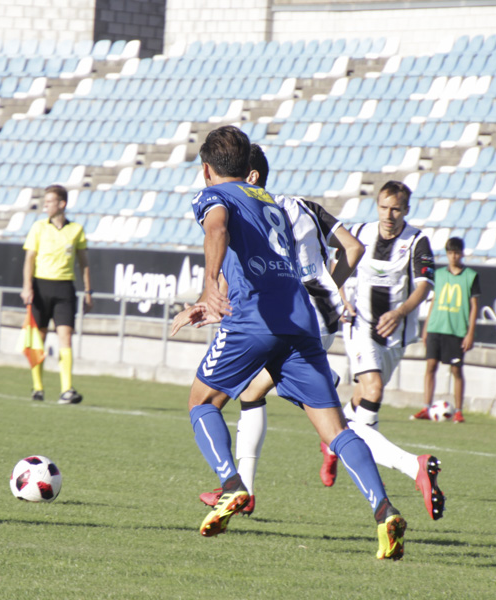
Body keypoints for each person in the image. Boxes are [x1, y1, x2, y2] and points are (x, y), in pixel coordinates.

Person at [175, 125, 406, 559]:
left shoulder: (212, 197)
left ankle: (231, 485)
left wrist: (209, 288)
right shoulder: (270, 201)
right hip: (302, 316)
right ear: (250, 169)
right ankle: (384, 511)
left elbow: (218, 231)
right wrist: (211, 296)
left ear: (206, 170)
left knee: (201, 402)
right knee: (335, 429)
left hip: (257, 317)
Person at [192, 143, 363, 516]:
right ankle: (242, 489)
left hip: (280, 312)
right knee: (253, 393)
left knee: (328, 422)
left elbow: (243, 260)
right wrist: (331, 289)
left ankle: (238, 488)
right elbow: (352, 248)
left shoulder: (252, 205)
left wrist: (213, 294)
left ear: (249, 176)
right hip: (313, 311)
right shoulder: (300, 206)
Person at [317, 181, 442, 520]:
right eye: (384, 207)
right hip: (359, 326)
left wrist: (400, 312)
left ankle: (334, 442)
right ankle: (393, 467)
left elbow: (425, 285)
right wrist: (342, 299)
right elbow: (334, 266)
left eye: (396, 209)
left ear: (406, 210)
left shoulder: (417, 241)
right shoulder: (359, 231)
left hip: (395, 334)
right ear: (377, 205)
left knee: (363, 405)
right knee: (372, 389)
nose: (389, 215)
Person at [20, 184, 92, 405]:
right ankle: (38, 387)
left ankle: (66, 389)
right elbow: (29, 259)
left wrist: (88, 291)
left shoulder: (76, 230)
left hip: (64, 289)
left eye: (49, 201)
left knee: (65, 337)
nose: (45, 205)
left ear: (62, 204)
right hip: (41, 288)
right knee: (39, 339)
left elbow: (84, 264)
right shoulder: (38, 227)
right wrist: (27, 287)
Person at [413, 236, 479, 423]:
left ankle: (458, 411)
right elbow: (434, 300)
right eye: (450, 253)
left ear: (462, 253)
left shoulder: (471, 276)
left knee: (456, 371)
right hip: (436, 327)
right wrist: (426, 327)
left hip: (456, 330)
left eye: (456, 253)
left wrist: (470, 332)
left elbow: (474, 305)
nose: (453, 256)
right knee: (430, 366)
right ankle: (426, 408)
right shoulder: (439, 274)